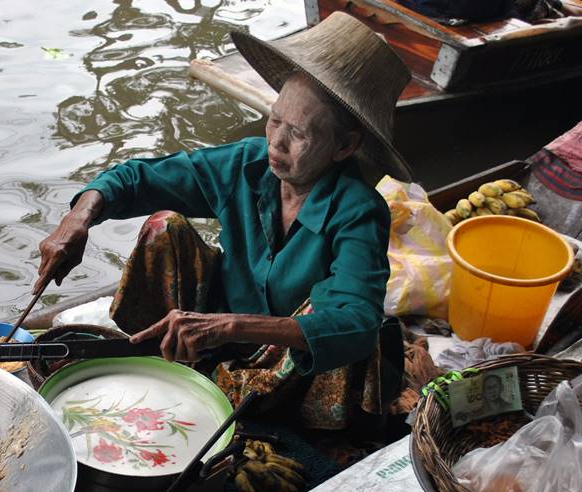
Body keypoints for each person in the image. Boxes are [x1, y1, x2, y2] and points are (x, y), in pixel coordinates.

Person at [33, 12, 413, 428]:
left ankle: (253, 403)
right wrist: (78, 219)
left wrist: (231, 325)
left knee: (327, 320)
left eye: (299, 134)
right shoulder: (247, 164)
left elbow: (355, 322)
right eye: (274, 120)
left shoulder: (359, 211)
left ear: (344, 146)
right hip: (215, 334)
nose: (276, 142)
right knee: (165, 224)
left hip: (289, 363)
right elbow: (138, 178)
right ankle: (166, 354)